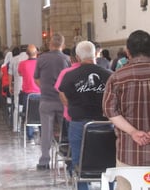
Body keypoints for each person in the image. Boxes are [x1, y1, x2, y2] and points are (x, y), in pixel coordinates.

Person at [58, 41, 112, 190]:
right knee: (109, 160)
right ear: (95, 54)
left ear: (77, 56)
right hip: (106, 124)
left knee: (79, 162)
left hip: (79, 124)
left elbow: (64, 97)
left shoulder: (69, 76)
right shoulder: (109, 75)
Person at [103, 30, 150, 190]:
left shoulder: (117, 77)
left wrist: (133, 132)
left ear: (128, 52)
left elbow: (110, 111)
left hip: (129, 151)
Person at [34, 33, 71, 170]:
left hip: (46, 99)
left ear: (50, 44)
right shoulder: (67, 59)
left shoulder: (42, 58)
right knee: (66, 131)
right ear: (63, 45)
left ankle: (44, 161)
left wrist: (44, 88)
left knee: (46, 131)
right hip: (63, 101)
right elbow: (69, 80)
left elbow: (36, 78)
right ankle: (68, 160)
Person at [17, 44, 41, 144]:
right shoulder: (41, 63)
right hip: (41, 93)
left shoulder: (22, 64)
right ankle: (43, 136)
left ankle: (30, 138)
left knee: (28, 116)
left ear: (27, 54)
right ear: (37, 53)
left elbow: (20, 74)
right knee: (42, 115)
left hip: (28, 94)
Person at [9, 45, 28, 132]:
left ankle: (16, 127)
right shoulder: (30, 57)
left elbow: (10, 74)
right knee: (30, 106)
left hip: (17, 85)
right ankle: (31, 127)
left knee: (17, 106)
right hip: (28, 85)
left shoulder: (14, 59)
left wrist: (10, 85)